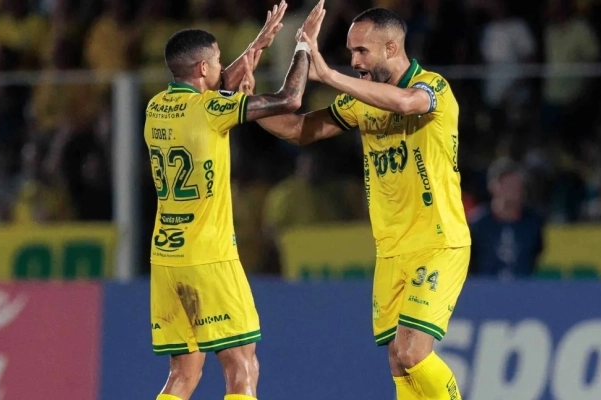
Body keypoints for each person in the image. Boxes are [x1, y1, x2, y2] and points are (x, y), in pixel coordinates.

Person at [257, 6, 469, 400]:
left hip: (438, 241)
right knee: (397, 360)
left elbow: (407, 103)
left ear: (392, 46)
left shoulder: (432, 86)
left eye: (361, 52)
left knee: (412, 351)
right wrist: (242, 103)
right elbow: (299, 129)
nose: (354, 61)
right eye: (350, 52)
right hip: (391, 248)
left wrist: (330, 75)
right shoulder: (362, 102)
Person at [144, 2, 326, 399]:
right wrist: (303, 47)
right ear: (202, 70)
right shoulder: (211, 110)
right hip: (209, 257)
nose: (222, 66)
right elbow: (290, 100)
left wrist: (255, 46)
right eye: (218, 60)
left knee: (183, 374)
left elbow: (220, 83)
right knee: (241, 364)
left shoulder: (155, 109)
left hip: (166, 259)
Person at [468, 158, 545, 279]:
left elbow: (536, 258)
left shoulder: (533, 224)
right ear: (493, 186)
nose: (514, 191)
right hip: (484, 292)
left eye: (517, 186)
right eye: (508, 185)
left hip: (523, 292)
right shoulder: (477, 223)